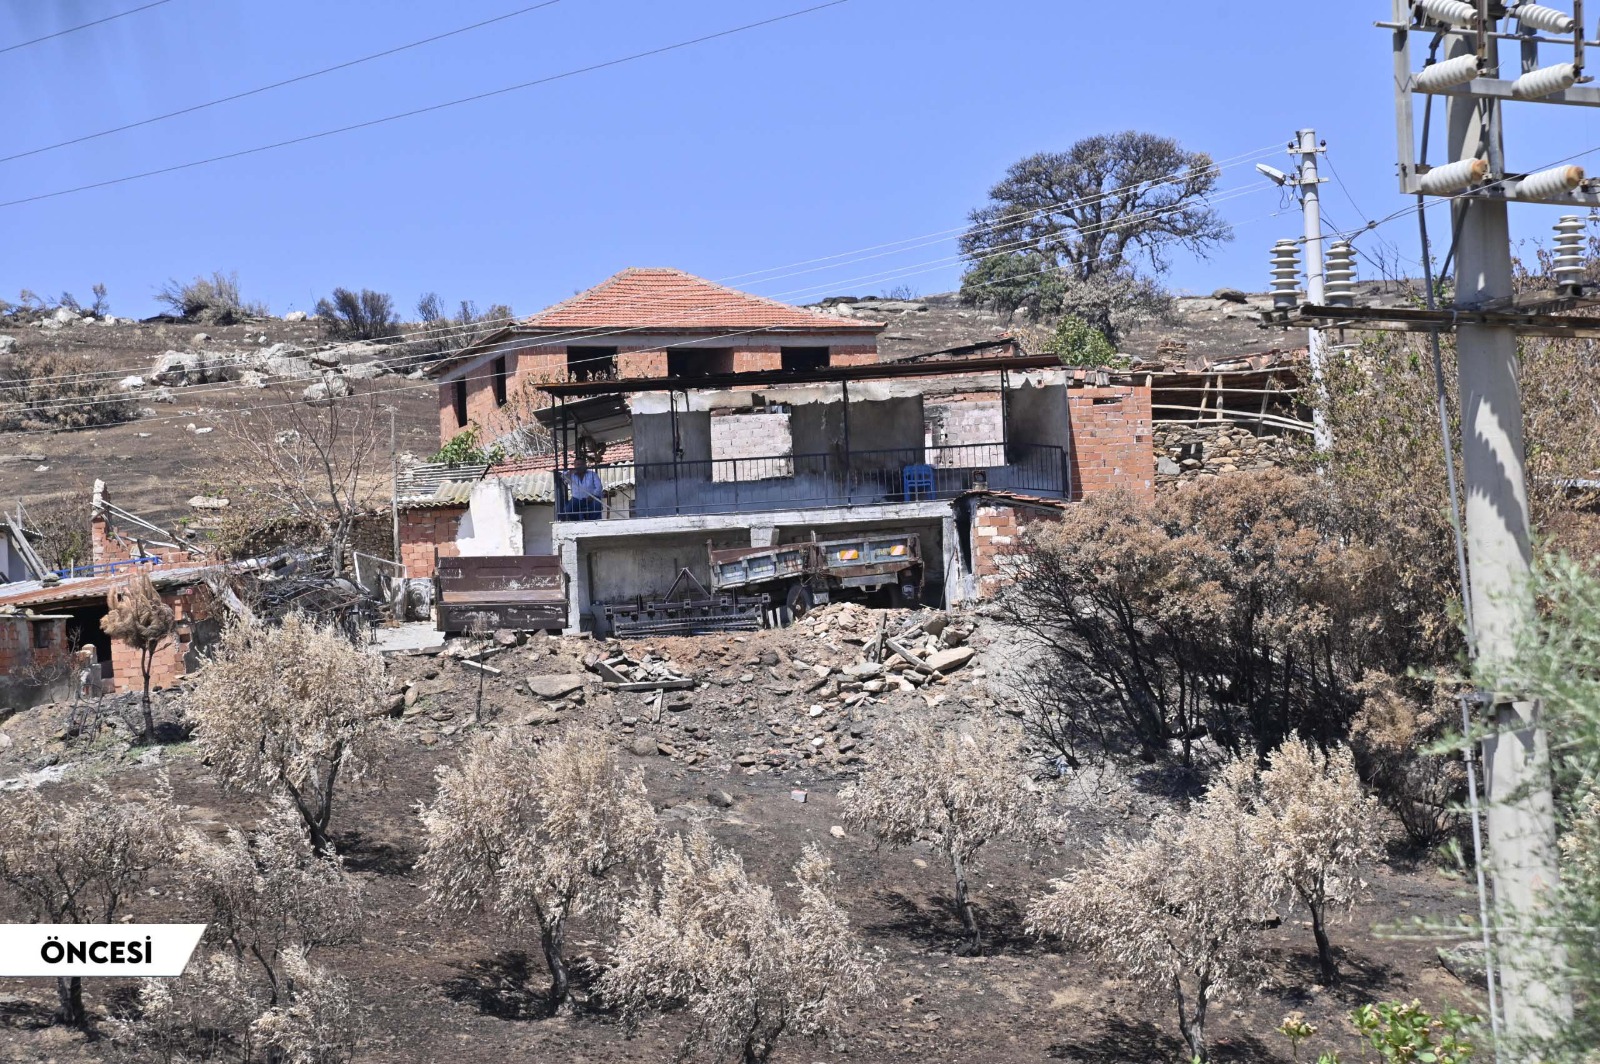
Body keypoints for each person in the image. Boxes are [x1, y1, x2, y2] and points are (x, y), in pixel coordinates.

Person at [561, 452, 604, 520]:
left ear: (585, 465)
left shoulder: (592, 474)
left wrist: (593, 496)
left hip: (592, 499)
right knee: (568, 509)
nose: (580, 466)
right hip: (577, 499)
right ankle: (577, 522)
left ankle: (591, 522)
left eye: (582, 464)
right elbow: (563, 476)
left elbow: (599, 487)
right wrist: (570, 471)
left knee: (597, 505)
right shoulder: (571, 476)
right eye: (578, 464)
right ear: (574, 465)